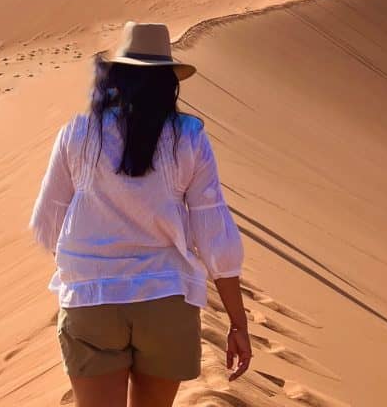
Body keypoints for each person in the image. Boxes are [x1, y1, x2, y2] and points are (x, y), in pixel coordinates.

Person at [30, 21, 251, 407]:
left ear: (118, 78)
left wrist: (85, 269)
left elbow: (45, 223)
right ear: (170, 81)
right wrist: (237, 321)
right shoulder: (189, 136)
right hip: (166, 301)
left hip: (91, 300)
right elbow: (215, 235)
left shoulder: (77, 133)